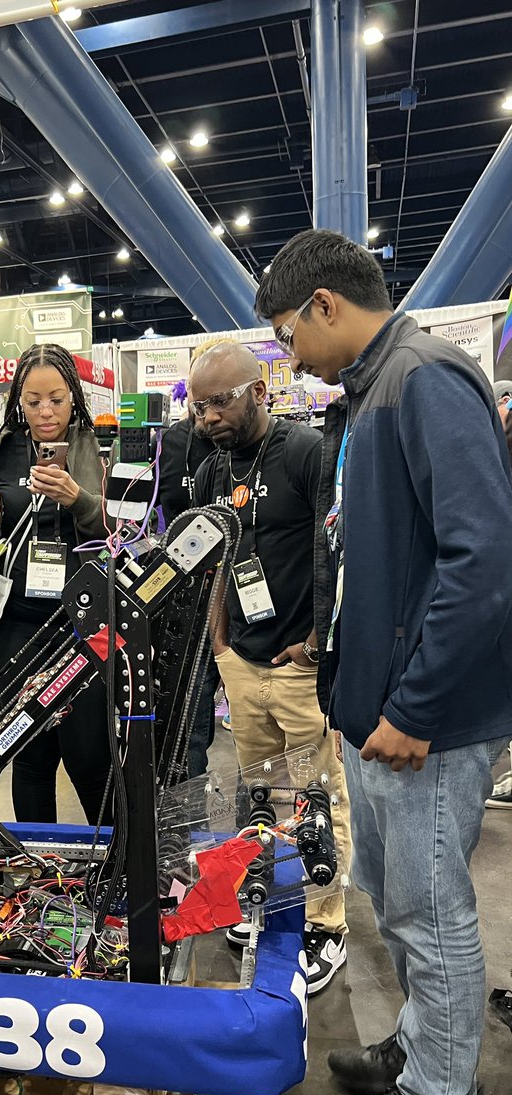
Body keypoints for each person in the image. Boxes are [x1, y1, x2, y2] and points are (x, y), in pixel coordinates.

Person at [256, 228, 512, 1095]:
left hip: (424, 721)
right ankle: (421, 1044)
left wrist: (415, 707)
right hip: (377, 711)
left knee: (430, 909)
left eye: (288, 335)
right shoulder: (369, 392)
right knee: (396, 897)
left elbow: (482, 563)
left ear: (324, 305)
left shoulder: (424, 379)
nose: (290, 358)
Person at [192, 341, 353, 994]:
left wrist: (317, 642)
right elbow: (212, 560)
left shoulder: (306, 452)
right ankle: (265, 896)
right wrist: (219, 643)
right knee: (257, 793)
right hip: (243, 661)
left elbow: (335, 548)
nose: (208, 417)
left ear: (258, 391)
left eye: (219, 401)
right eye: (199, 406)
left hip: (298, 664)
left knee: (317, 795)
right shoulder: (210, 469)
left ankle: (325, 924)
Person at [0, 343, 112, 824]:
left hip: (84, 628)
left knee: (91, 758)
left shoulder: (99, 450)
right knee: (30, 757)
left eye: (56, 399)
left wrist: (79, 500)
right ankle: (37, 865)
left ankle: (114, 863)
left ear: (74, 397)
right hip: (13, 632)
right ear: (18, 402)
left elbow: (130, 534)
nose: (45, 412)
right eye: (33, 402)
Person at [158, 359, 219, 778]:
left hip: (245, 603)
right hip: (187, 603)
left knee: (257, 730)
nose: (209, 414)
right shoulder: (169, 443)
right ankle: (187, 813)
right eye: (200, 400)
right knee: (189, 729)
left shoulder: (255, 443)